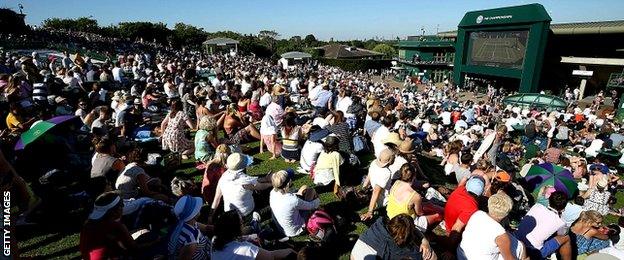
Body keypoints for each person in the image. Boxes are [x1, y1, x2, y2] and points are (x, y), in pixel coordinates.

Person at [458, 192, 527, 260]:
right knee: (521, 246)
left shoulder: (477, 214)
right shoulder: (501, 235)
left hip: (462, 254)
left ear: (489, 205)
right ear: (506, 214)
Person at [211, 210, 296, 259]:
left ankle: (266, 236)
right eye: (241, 223)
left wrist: (249, 237)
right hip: (264, 254)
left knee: (254, 234)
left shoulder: (215, 239)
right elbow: (271, 256)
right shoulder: (245, 249)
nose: (243, 224)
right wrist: (290, 251)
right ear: (235, 230)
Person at [514, 191, 572, 260]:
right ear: (563, 209)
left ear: (549, 200)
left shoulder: (536, 206)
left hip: (516, 240)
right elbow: (561, 234)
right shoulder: (560, 222)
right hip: (533, 251)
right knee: (566, 238)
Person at [80, 192, 139, 260]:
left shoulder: (87, 224)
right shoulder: (115, 226)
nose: (123, 206)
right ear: (114, 211)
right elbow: (133, 249)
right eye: (121, 204)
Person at [211, 153, 271, 219]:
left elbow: (216, 199)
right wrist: (272, 184)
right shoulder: (245, 180)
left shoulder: (223, 177)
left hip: (229, 213)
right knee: (263, 196)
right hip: (246, 213)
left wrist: (210, 216)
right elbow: (261, 187)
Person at [351, 214, 435, 260]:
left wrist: (424, 240)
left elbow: (412, 228)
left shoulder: (379, 224)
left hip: (354, 254)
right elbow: (432, 257)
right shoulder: (401, 250)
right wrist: (425, 241)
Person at [386, 164, 442, 232]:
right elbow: (420, 213)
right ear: (414, 176)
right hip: (405, 223)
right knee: (439, 215)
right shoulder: (415, 196)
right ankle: (422, 233)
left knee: (426, 205)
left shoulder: (396, 183)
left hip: (391, 215)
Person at [269, 170, 320, 237]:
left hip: (281, 228)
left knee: (303, 189)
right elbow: (311, 205)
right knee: (311, 191)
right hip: (295, 231)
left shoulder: (272, 192)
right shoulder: (293, 200)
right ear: (288, 183)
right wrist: (317, 199)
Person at [442, 176, 485, 253]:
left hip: (447, 219)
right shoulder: (471, 208)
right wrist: (449, 251)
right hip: (451, 229)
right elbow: (456, 229)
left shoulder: (460, 189)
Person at [167, 195, 211, 260]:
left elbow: (206, 228)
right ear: (194, 214)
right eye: (197, 208)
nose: (200, 208)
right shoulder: (191, 238)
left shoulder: (182, 223)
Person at [360, 148, 395, 221]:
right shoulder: (386, 173)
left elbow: (368, 176)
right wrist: (370, 212)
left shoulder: (373, 163)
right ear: (390, 160)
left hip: (376, 196)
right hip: (384, 201)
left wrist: (364, 188)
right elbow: (376, 191)